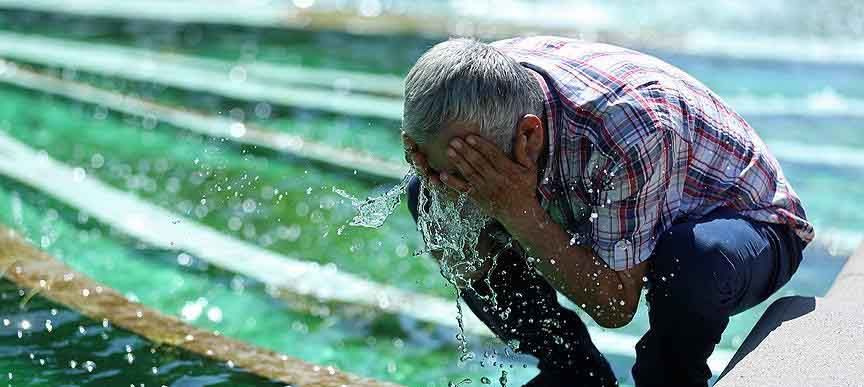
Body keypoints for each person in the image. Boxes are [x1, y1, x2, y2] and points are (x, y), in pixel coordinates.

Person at [400, 37, 813, 387]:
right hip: (615, 195)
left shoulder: (630, 130)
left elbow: (616, 305)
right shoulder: (464, 90)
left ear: (528, 135)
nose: (449, 182)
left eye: (467, 170)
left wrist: (517, 209)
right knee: (426, 197)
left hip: (751, 227)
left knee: (690, 260)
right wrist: (444, 193)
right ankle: (575, 374)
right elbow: (458, 234)